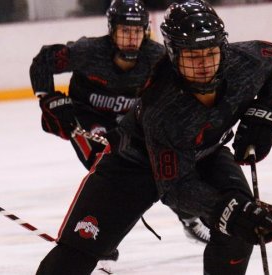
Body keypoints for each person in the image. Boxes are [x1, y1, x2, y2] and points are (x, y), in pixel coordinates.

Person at [36, 1, 272, 274]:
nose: (204, 65)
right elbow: (175, 188)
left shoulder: (245, 61)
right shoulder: (162, 107)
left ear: (223, 47)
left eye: (210, 53)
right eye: (192, 57)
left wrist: (264, 115)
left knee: (238, 233)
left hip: (206, 153)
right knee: (76, 253)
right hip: (133, 164)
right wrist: (227, 210)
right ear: (173, 54)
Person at [29, 0, 210, 248]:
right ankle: (101, 239)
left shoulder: (157, 58)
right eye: (125, 31)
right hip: (87, 119)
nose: (131, 38)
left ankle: (189, 217)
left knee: (163, 165)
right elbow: (44, 60)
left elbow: (179, 90)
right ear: (112, 30)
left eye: (137, 31)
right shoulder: (88, 51)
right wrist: (47, 98)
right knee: (106, 169)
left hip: (132, 122)